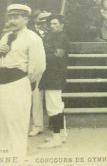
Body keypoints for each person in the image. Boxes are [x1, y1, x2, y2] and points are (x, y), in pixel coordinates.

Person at [0, 4, 46, 156]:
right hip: (2, 83)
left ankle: (18, 157)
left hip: (18, 83)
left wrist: (26, 83)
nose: (12, 20)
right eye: (11, 17)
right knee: (3, 122)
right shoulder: (5, 37)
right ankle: (4, 156)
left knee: (17, 121)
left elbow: (38, 67)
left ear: (26, 20)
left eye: (17, 17)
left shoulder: (33, 38)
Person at [38, 14, 69, 149]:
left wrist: (40, 53)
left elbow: (57, 55)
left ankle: (56, 138)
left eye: (55, 24)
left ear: (62, 25)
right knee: (57, 105)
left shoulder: (63, 38)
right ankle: (62, 134)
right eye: (51, 24)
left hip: (55, 74)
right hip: (51, 74)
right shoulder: (53, 36)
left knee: (53, 106)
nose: (52, 26)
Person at [28, 11, 51, 137]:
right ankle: (38, 125)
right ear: (36, 21)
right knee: (36, 98)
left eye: (47, 21)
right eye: (42, 20)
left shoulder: (53, 33)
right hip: (37, 70)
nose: (45, 23)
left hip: (51, 70)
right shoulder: (31, 34)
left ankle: (55, 124)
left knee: (53, 98)